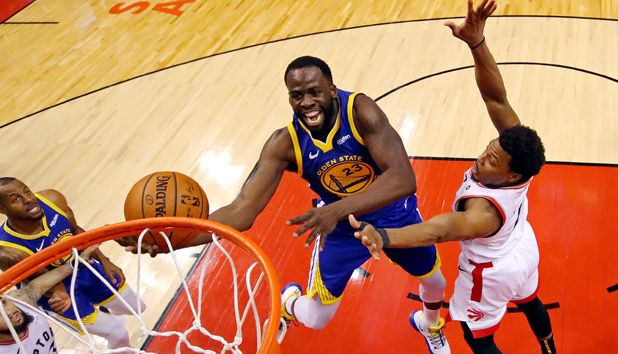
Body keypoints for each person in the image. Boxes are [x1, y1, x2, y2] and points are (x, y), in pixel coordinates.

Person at [120, 56, 451, 352]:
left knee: (435, 282)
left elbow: (403, 178)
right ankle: (289, 302)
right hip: (340, 233)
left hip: (392, 216)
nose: (307, 103)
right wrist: (172, 241)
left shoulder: (360, 111)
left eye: (314, 92)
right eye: (297, 95)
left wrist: (334, 209)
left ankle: (429, 324)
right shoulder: (285, 144)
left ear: (332, 90)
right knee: (318, 319)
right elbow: (242, 211)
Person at [349, 1, 556, 353]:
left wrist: (384, 236)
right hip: (523, 247)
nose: (482, 158)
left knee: (478, 337)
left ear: (512, 175)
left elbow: (439, 230)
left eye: (492, 161)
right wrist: (477, 43)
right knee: (531, 300)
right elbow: (495, 96)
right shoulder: (518, 151)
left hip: (490, 272)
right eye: (489, 148)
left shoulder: (484, 212)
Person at [0, 177, 146, 352]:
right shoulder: (9, 252)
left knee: (137, 307)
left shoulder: (52, 199)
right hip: (55, 292)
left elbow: (76, 231)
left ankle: (102, 306)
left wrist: (104, 260)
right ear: (1, 209)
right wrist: (62, 295)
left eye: (26, 191)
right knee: (117, 333)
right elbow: (46, 283)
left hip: (83, 267)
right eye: (16, 199)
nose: (28, 199)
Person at [0, 244, 99, 353]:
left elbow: (38, 285)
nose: (8, 312)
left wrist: (72, 264)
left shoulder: (19, 302)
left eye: (3, 303)